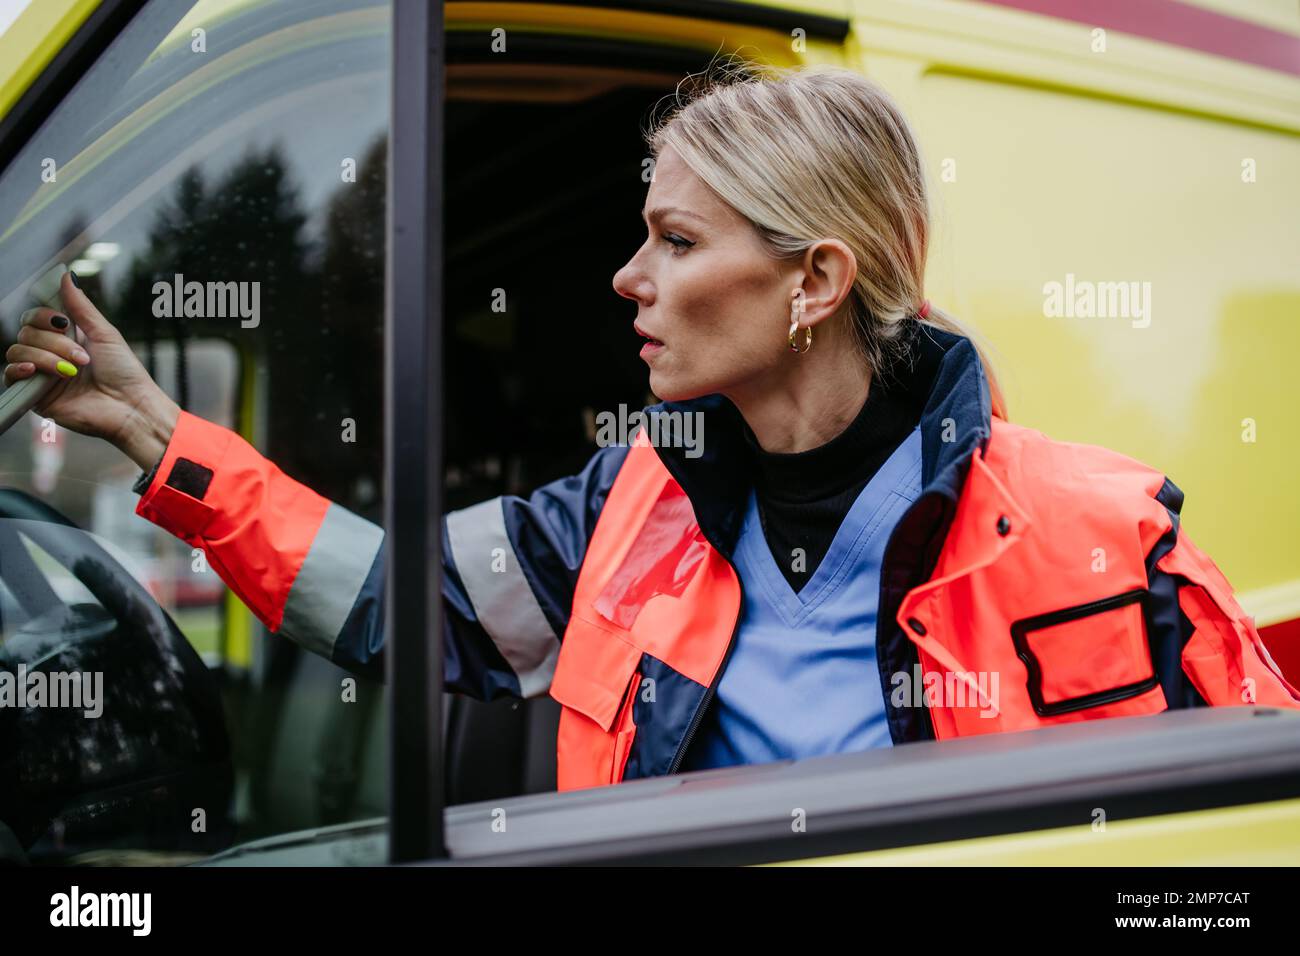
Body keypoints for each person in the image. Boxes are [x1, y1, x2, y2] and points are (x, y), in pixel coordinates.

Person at [8, 63, 1297, 792]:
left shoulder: (1113, 538)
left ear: (816, 282)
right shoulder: (624, 509)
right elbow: (394, 596)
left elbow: (1235, 850)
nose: (627, 279)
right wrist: (159, 433)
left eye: (675, 243)